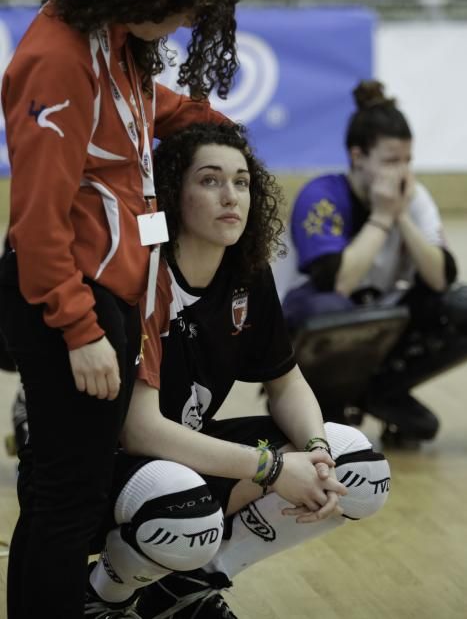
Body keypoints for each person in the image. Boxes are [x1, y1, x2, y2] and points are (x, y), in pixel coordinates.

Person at [0, 0, 242, 618]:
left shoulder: (116, 43)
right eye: (185, 1)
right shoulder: (59, 58)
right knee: (65, 504)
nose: (190, 18)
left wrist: (210, 122)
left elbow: (144, 117)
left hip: (109, 296)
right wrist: (77, 328)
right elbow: (36, 221)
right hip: (72, 301)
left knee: (69, 494)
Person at [81, 123, 391, 618]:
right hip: (107, 470)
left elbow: (287, 381)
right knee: (186, 509)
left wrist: (315, 454)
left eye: (242, 182)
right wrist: (271, 469)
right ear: (173, 193)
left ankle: (185, 589)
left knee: (358, 469)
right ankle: (101, 597)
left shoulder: (246, 272)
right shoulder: (141, 270)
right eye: (209, 180)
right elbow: (139, 431)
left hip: (188, 455)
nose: (231, 196)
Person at [283, 79, 467, 447]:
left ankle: (382, 391)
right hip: (308, 324)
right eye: (390, 161)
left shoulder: (413, 198)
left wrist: (402, 218)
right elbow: (337, 284)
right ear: (358, 156)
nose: (401, 173)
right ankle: (325, 403)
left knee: (460, 306)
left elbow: (441, 278)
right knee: (333, 309)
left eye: (407, 161)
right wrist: (382, 217)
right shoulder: (322, 196)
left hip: (376, 322)